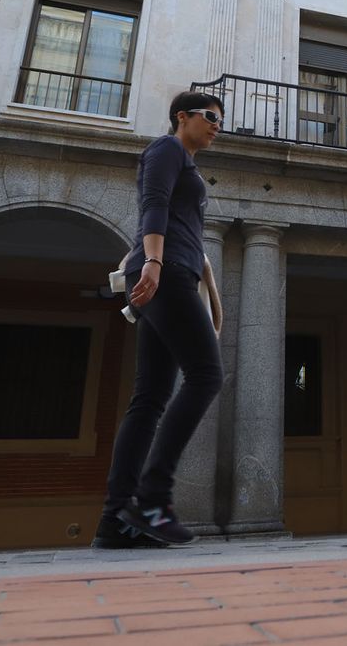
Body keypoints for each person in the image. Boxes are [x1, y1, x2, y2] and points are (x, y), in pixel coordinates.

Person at [93, 91, 226, 548]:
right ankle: (151, 498)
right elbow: (153, 202)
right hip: (161, 272)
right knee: (206, 375)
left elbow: (177, 218)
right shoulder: (166, 149)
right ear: (181, 117)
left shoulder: (186, 161)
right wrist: (153, 262)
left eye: (220, 121)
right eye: (209, 117)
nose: (216, 126)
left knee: (149, 397)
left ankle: (115, 521)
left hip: (173, 272)